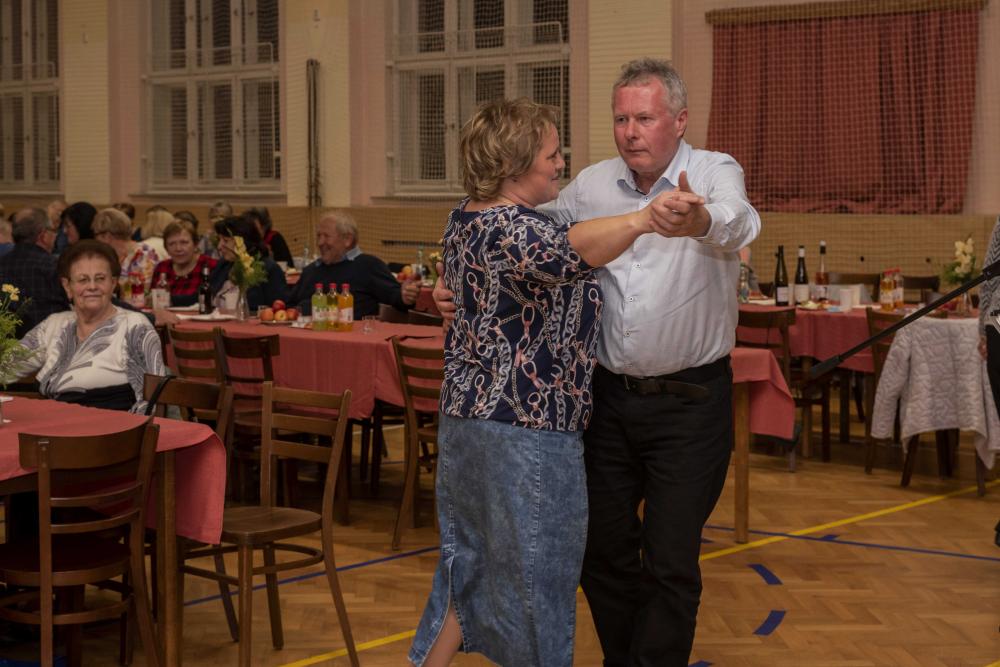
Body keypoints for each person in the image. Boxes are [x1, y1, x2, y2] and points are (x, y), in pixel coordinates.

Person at [434, 59, 761, 666]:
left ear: (679, 120)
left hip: (690, 406)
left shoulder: (713, 170)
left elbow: (740, 222)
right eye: (620, 119)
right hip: (606, 402)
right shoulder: (590, 184)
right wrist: (455, 281)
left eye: (645, 118)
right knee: (602, 552)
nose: (630, 132)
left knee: (670, 559)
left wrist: (701, 219)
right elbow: (512, 228)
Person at [409, 98, 683, 667]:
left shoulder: (466, 216)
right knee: (538, 585)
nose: (561, 163)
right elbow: (565, 251)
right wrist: (644, 217)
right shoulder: (516, 228)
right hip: (527, 430)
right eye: (552, 154)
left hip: (467, 423)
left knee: (466, 568)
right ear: (514, 165)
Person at [15, 240, 165, 412]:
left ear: (113, 283)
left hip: (113, 427)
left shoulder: (135, 327)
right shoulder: (53, 325)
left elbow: (150, 404)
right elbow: (6, 367)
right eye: (83, 280)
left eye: (100, 279)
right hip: (52, 424)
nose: (92, 286)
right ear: (67, 286)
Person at [288, 210, 419, 318]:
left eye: (326, 236)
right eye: (318, 236)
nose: (320, 242)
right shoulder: (311, 270)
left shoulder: (368, 266)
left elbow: (395, 297)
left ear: (347, 239)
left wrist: (405, 297)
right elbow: (290, 305)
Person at [0, 208, 68, 337]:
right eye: (53, 231)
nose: (55, 236)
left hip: (9, 343)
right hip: (51, 339)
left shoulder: (2, 264)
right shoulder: (54, 266)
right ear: (43, 235)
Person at [209, 215, 287, 311]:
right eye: (219, 240)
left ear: (243, 242)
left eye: (225, 240)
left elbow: (279, 309)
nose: (219, 246)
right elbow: (204, 296)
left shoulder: (268, 269)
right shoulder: (223, 265)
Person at [92, 207, 161, 296]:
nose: (95, 239)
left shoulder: (144, 254)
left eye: (96, 235)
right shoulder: (107, 257)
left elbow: (143, 293)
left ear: (107, 236)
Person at [150, 219, 218, 307]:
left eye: (184, 242)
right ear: (166, 248)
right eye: (172, 244)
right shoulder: (162, 268)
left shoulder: (211, 266)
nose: (178, 248)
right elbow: (153, 302)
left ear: (195, 244)